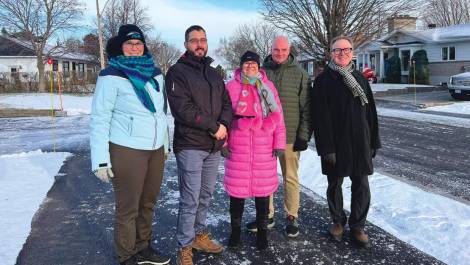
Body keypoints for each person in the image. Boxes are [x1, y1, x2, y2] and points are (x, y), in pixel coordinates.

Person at [90, 24, 171, 265]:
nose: (135, 48)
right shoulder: (111, 76)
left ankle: (143, 247)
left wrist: (165, 145)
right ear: (120, 47)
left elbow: (160, 113)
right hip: (127, 149)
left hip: (155, 149)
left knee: (148, 202)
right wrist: (101, 160)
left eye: (138, 44)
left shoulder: (155, 73)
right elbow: (99, 118)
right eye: (130, 44)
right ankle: (126, 255)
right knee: (128, 207)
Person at [165, 25, 233, 265]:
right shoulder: (177, 72)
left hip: (213, 147)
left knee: (205, 195)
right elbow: (182, 109)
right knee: (190, 197)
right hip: (191, 144)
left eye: (203, 40)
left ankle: (199, 235)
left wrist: (224, 124)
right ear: (186, 44)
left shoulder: (213, 73)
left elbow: (226, 102)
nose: (199, 44)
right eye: (194, 40)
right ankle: (185, 245)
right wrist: (213, 127)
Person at [311, 36, 381, 248]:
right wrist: (326, 148)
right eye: (337, 50)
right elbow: (319, 118)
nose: (342, 53)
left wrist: (374, 141)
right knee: (335, 185)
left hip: (360, 141)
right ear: (331, 53)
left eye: (346, 49)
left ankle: (358, 226)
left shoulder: (359, 78)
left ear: (352, 52)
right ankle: (338, 222)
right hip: (335, 144)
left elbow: (371, 113)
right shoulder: (323, 81)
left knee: (361, 185)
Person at [246, 36, 312, 238]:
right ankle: (267, 214)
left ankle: (291, 216)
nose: (280, 53)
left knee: (290, 177)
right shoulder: (262, 72)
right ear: (271, 49)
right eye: (276, 50)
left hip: (290, 136)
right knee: (265, 178)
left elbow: (307, 108)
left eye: (283, 50)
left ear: (289, 49)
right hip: (264, 137)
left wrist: (303, 135)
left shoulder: (300, 74)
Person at [223, 51, 286, 250]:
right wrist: (223, 143)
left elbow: (279, 117)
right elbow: (222, 117)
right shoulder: (230, 87)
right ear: (241, 65)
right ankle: (235, 232)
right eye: (246, 63)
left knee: (262, 193)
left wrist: (279, 144)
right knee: (237, 194)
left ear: (259, 66)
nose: (250, 66)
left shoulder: (268, 88)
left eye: (253, 63)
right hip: (238, 147)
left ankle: (262, 234)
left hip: (263, 147)